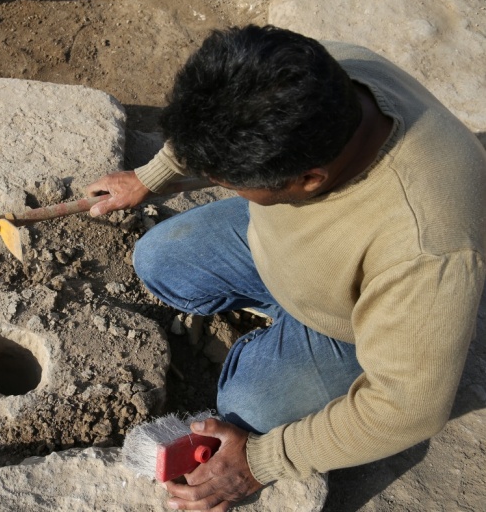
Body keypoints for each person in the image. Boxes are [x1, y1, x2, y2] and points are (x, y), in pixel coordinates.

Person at [86, 25, 486, 510]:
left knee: (245, 411)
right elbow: (212, 116)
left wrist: (260, 463)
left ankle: (285, 352)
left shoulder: (425, 250)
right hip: (286, 253)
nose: (213, 182)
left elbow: (408, 409)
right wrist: (153, 177)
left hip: (354, 328)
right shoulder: (308, 71)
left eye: (228, 182)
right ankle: (275, 319)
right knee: (159, 260)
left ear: (308, 179)